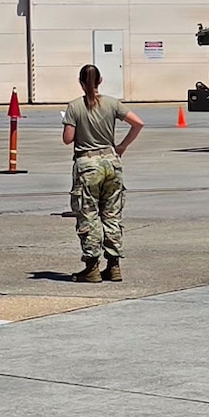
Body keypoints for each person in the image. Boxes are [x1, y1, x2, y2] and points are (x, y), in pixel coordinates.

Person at [62, 64, 145, 282]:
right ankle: (114, 265)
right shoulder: (112, 103)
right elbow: (138, 123)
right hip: (111, 162)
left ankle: (91, 267)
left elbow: (67, 138)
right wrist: (121, 147)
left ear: (81, 82)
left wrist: (78, 125)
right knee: (111, 214)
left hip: (88, 164)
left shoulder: (74, 106)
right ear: (100, 81)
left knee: (89, 215)